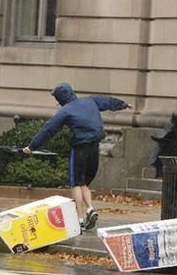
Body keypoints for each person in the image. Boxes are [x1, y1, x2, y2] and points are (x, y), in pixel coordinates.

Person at [23, 83, 133, 231]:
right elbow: (106, 101)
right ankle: (90, 209)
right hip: (95, 146)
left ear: (60, 99)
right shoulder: (90, 101)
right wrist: (123, 104)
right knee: (84, 184)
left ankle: (80, 219)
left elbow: (48, 129)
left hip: (80, 147)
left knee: (75, 183)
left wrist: (32, 146)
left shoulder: (65, 111)